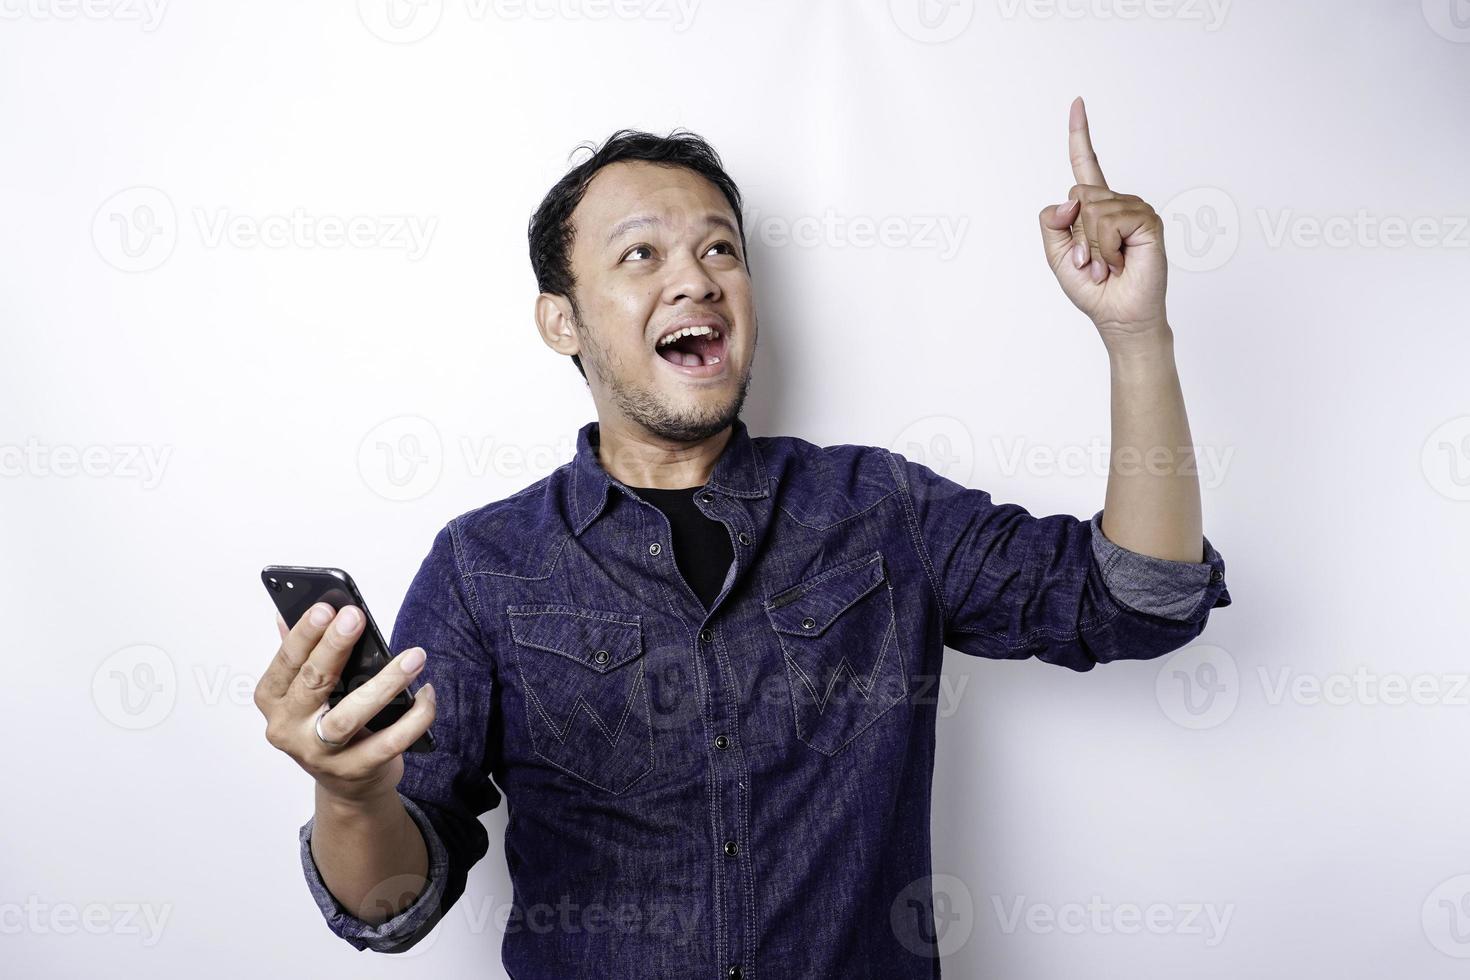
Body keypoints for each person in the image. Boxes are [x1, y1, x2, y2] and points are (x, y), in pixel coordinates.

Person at [254, 98, 1231, 977]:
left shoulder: (880, 508)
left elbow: (1139, 600)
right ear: (561, 319)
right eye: (642, 254)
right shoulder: (485, 566)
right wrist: (348, 793)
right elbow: (387, 906)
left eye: (720, 250)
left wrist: (1136, 336)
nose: (697, 278)